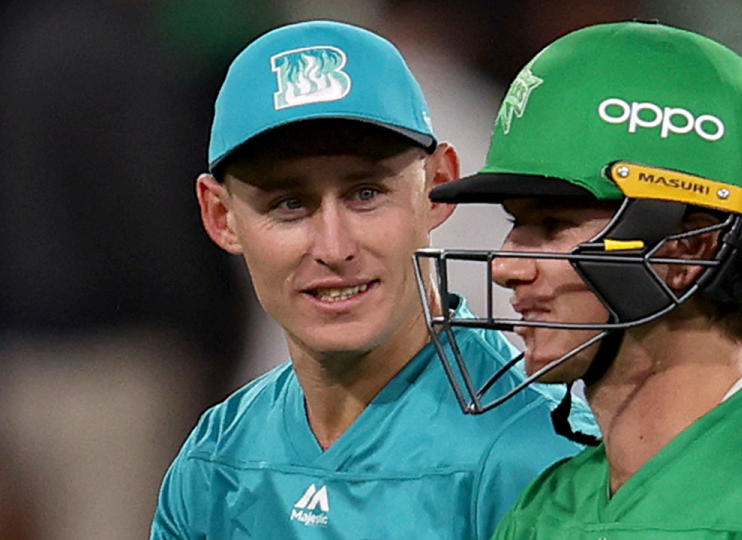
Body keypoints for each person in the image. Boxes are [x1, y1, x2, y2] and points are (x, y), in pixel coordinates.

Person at [417, 21, 742, 538]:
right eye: (514, 224)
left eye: (552, 226)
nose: (506, 267)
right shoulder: (546, 507)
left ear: (686, 248)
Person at [150, 20, 594, 539]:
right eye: (289, 204)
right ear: (221, 217)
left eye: (366, 194)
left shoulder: (537, 454)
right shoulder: (216, 459)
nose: (334, 248)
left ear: (438, 189)